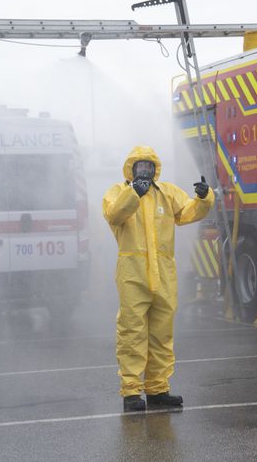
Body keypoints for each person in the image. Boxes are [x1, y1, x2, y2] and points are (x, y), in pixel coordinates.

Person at [102, 145, 214, 412]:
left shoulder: (167, 193)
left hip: (163, 275)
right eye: (139, 167)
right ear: (131, 168)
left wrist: (204, 197)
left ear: (155, 169)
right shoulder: (118, 192)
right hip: (133, 274)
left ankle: (158, 390)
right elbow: (113, 214)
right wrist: (133, 194)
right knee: (132, 333)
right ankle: (131, 392)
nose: (144, 172)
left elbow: (187, 212)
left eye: (149, 167)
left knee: (162, 334)